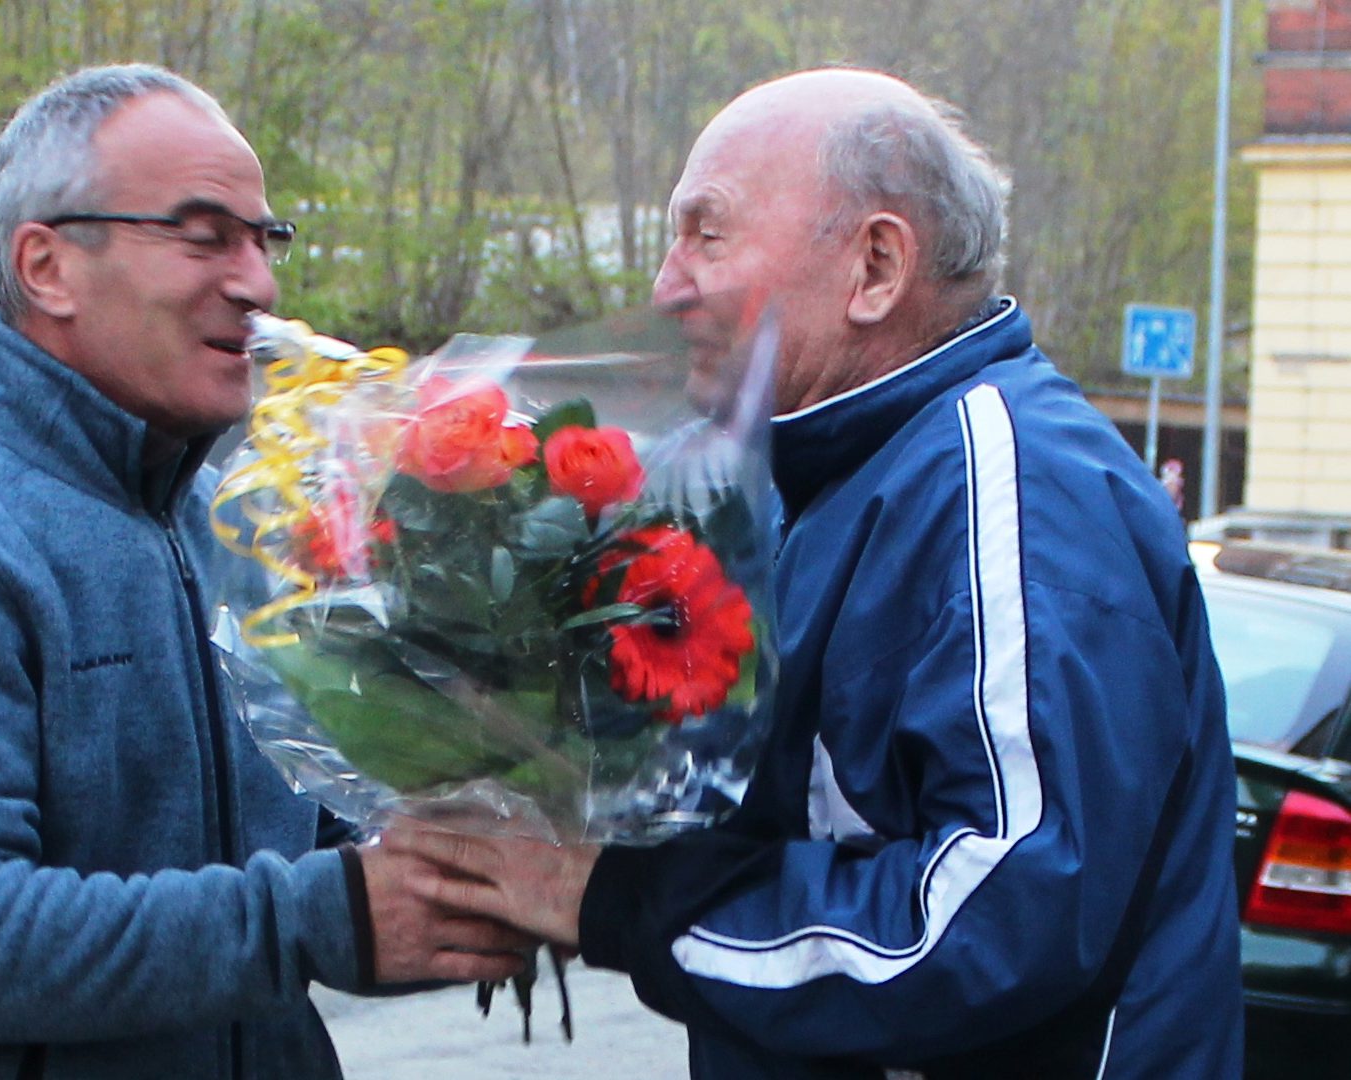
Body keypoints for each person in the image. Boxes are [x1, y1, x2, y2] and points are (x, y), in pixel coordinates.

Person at [389, 68, 1243, 1078]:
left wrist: (617, 900)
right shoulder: (816, 477)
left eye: (706, 234)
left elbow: (1002, 913)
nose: (666, 286)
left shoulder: (1007, 481)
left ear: (875, 266)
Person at [0, 64, 530, 1080]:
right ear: (47, 266)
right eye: (203, 235)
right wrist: (329, 916)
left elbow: (320, 855)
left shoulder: (238, 531)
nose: (258, 284)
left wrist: (500, 854)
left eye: (263, 239)